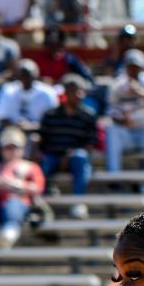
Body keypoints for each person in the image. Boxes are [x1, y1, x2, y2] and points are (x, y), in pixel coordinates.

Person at [106, 50, 144, 182]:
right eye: (130, 66)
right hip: (126, 132)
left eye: (136, 67)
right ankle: (114, 178)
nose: (133, 70)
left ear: (142, 67)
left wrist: (139, 91)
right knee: (111, 130)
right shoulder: (118, 84)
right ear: (125, 67)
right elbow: (111, 110)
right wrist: (121, 119)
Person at [38, 75, 98, 205]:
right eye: (75, 91)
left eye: (81, 91)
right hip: (52, 156)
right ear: (66, 93)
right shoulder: (50, 114)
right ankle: (39, 205)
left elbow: (90, 143)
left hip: (75, 158)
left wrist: (70, 155)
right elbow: (43, 140)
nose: (79, 95)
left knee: (81, 158)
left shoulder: (88, 116)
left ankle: (78, 203)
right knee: (43, 163)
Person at [0, 58, 59, 137]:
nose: (25, 79)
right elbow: (0, 119)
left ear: (36, 76)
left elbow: (53, 122)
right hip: (12, 133)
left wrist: (32, 126)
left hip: (39, 134)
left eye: (28, 75)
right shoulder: (7, 90)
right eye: (22, 75)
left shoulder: (47, 93)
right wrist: (17, 126)